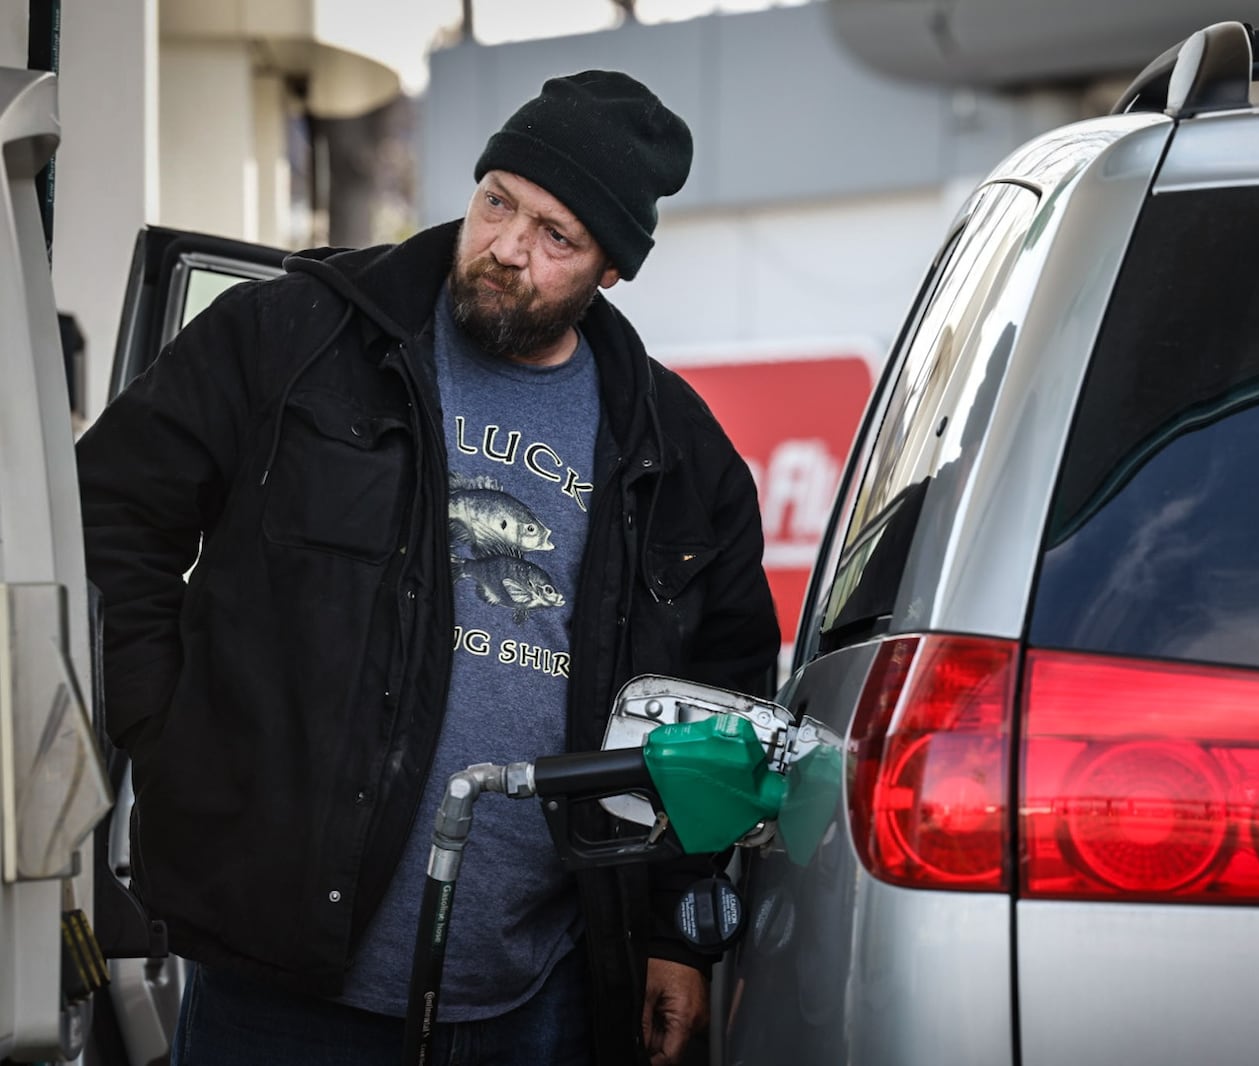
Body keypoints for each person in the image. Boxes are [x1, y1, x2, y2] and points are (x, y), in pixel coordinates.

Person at [77, 69, 780, 1066]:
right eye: (499, 202)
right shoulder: (295, 337)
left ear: (611, 269)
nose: (505, 248)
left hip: (534, 992)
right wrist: (168, 723)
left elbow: (715, 700)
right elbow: (109, 514)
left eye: (554, 237)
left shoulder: (677, 453)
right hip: (275, 986)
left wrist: (674, 931)